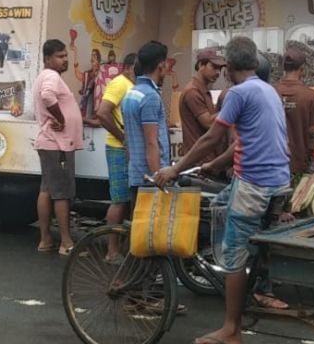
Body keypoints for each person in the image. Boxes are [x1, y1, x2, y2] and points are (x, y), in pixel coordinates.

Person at [155, 36, 290, 344]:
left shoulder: (237, 94)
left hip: (254, 184)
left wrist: (175, 169)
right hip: (279, 182)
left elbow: (211, 138)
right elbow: (242, 143)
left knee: (234, 253)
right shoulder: (268, 90)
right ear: (255, 63)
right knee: (222, 202)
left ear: (228, 68)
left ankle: (231, 329)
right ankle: (243, 279)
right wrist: (212, 165)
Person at [32, 39, 83, 255]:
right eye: (60, 56)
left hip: (50, 142)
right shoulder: (51, 77)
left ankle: (45, 240)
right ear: (47, 59)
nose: (65, 60)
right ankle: (66, 243)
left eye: (65, 55)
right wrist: (61, 119)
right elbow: (47, 96)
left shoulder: (45, 76)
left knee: (47, 190)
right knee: (61, 193)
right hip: (57, 143)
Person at [95, 52, 138, 248]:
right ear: (128, 67)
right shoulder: (120, 83)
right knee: (119, 199)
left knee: (126, 200)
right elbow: (102, 113)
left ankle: (120, 247)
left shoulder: (132, 85)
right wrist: (123, 138)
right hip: (117, 148)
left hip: (127, 149)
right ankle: (111, 251)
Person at [121, 41, 171, 202]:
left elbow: (128, 139)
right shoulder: (150, 97)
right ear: (161, 65)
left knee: (137, 225)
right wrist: (159, 179)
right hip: (150, 179)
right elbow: (152, 143)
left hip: (136, 174)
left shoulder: (131, 93)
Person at [274, 47, 314, 177]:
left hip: (272, 163)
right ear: (302, 69)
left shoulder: (270, 92)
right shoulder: (310, 96)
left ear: (284, 68)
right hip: (300, 165)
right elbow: (313, 132)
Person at [181, 47, 227, 163]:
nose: (218, 73)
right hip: (199, 162)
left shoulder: (202, 90)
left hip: (207, 159)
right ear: (201, 65)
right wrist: (234, 109)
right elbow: (209, 123)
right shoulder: (193, 92)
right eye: (214, 67)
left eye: (220, 69)